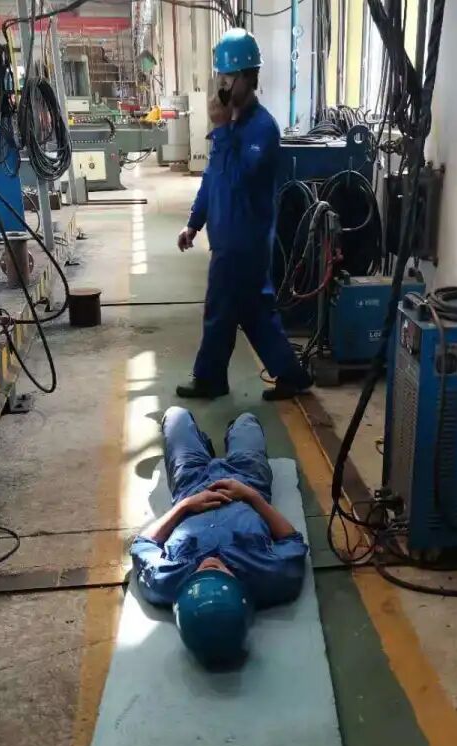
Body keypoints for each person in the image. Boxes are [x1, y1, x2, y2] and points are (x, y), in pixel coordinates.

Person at [175, 28, 312, 402]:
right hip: (228, 238)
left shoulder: (262, 130)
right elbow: (213, 179)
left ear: (248, 78)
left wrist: (222, 131)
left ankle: (210, 379)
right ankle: (292, 375)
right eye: (219, 76)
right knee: (254, 312)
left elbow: (240, 182)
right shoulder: (231, 127)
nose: (221, 85)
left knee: (220, 310)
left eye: (227, 77)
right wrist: (194, 223)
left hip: (244, 242)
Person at [131, 406, 308, 668]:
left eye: (200, 573)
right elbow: (291, 541)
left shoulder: (164, 582)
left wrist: (186, 505)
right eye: (219, 572)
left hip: (191, 482)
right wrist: (251, 496)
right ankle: (230, 431)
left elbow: (143, 545)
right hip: (248, 477)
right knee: (246, 421)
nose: (208, 564)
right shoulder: (274, 577)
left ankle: (201, 444)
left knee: (176, 415)